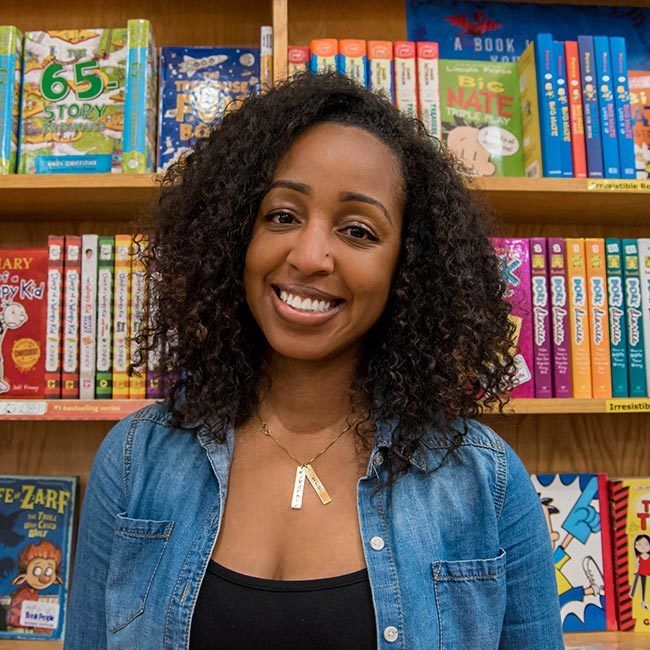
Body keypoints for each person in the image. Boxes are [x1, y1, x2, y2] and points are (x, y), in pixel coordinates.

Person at [64, 72, 562, 649]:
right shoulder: (135, 462)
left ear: (409, 267)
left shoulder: (485, 483)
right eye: (282, 215)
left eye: (357, 230)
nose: (309, 256)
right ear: (233, 235)